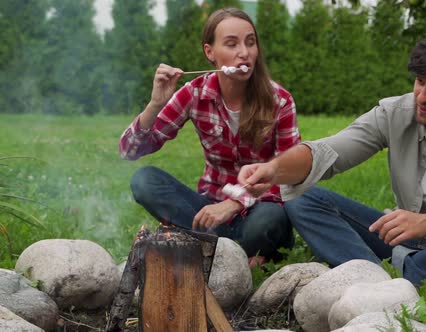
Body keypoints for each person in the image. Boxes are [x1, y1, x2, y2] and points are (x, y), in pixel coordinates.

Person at [237, 30, 426, 290]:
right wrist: (274, 169)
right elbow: (330, 151)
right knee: (302, 197)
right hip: (400, 234)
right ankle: (381, 278)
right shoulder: (395, 113)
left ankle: (374, 276)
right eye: (420, 81)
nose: (422, 96)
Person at [119, 8, 301, 266]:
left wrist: (235, 204)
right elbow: (129, 151)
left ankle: (213, 248)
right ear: (209, 52)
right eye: (231, 44)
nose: (244, 52)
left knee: (268, 220)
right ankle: (235, 251)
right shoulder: (194, 93)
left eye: (250, 42)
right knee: (145, 180)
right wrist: (155, 104)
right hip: (209, 206)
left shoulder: (279, 100)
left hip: (262, 207)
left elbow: (291, 175)